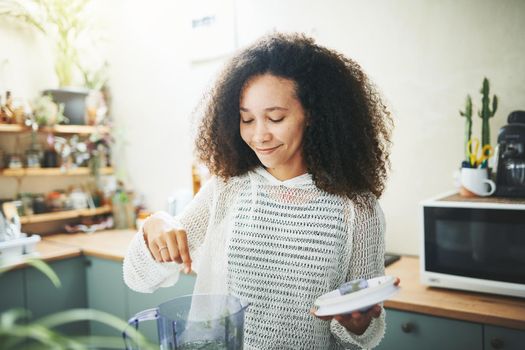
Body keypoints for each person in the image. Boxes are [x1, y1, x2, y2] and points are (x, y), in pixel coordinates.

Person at [123, 32, 396, 349]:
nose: (259, 135)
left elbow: (367, 334)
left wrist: (360, 325)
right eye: (247, 119)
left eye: (275, 117)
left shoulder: (357, 210)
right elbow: (138, 278)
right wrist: (155, 225)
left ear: (313, 115)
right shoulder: (227, 189)